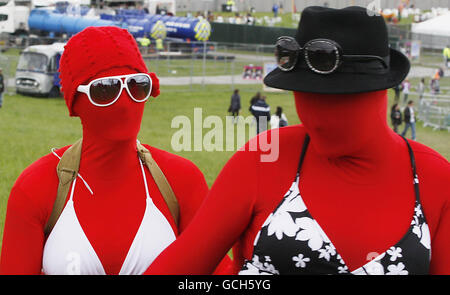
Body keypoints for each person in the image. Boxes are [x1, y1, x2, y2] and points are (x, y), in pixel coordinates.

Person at [145, 6, 450, 275]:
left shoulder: (436, 180)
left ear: (381, 91)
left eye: (337, 99)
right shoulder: (264, 159)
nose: (316, 118)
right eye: (305, 95)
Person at [0, 26, 231, 275]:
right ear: (75, 100)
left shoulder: (182, 180)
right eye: (105, 89)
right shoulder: (36, 188)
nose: (124, 102)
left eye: (137, 85)